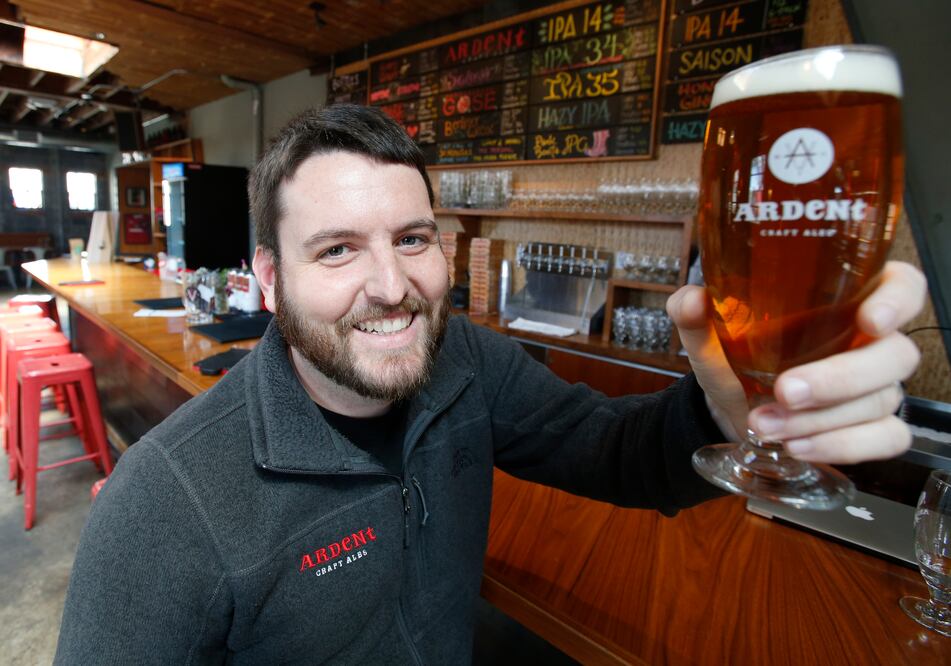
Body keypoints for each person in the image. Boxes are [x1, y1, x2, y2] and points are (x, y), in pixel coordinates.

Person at [54, 105, 924, 664]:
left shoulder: (465, 364)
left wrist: (725, 412)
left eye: (413, 238)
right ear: (269, 280)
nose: (391, 285)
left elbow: (617, 455)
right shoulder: (166, 506)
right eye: (337, 249)